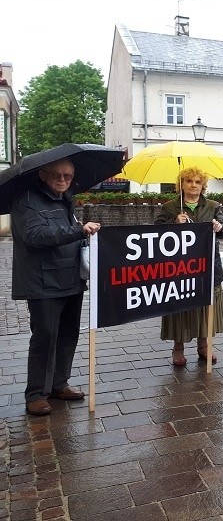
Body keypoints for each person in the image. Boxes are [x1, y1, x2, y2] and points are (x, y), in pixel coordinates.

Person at [12, 158, 100, 416]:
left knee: (68, 333)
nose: (63, 181)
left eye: (68, 176)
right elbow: (36, 236)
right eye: (57, 175)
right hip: (43, 282)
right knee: (45, 337)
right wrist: (78, 231)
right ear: (42, 174)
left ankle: (59, 384)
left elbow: (67, 231)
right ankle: (36, 393)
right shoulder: (26, 201)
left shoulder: (66, 200)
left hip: (71, 278)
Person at [154, 167, 223, 366]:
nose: (193, 185)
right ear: (181, 185)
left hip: (207, 265)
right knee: (180, 305)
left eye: (197, 182)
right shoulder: (170, 207)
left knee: (205, 306)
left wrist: (219, 227)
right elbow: (156, 232)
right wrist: (173, 222)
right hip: (179, 267)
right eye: (189, 181)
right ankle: (178, 347)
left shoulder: (213, 206)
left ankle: (204, 345)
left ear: (203, 185)